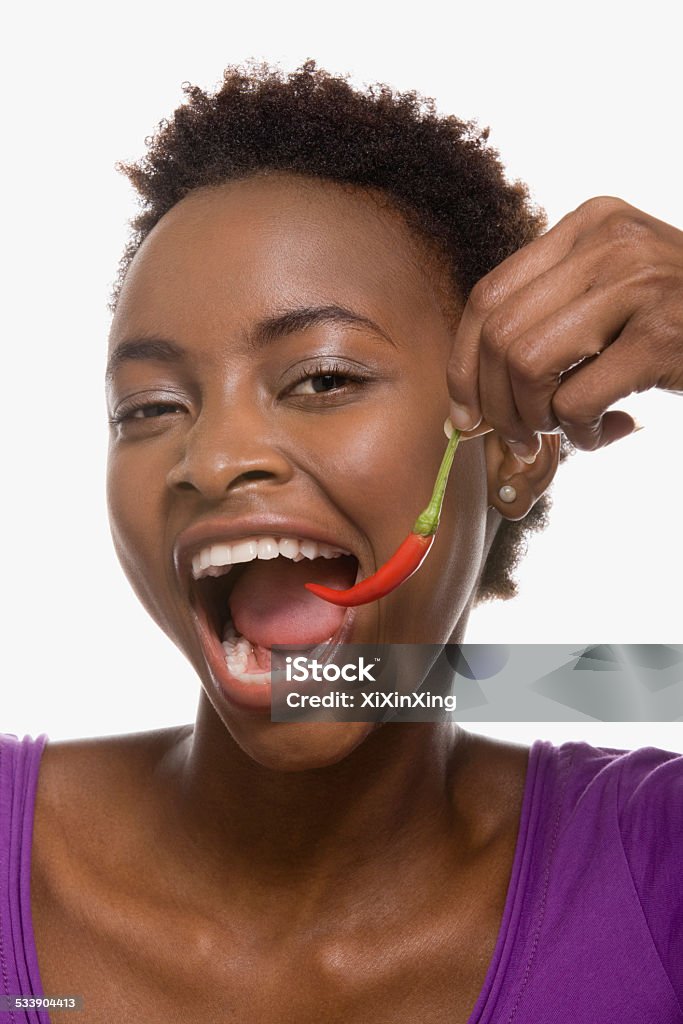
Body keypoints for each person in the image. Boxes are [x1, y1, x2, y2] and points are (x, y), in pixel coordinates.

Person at [1, 61, 682, 1023]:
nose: (214, 457)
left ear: (515, 454)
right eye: (150, 406)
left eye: (321, 379)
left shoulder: (650, 864)